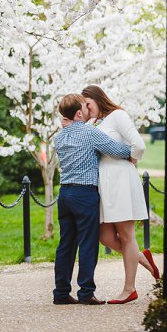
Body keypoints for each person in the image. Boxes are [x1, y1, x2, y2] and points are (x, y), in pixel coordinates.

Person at [52, 93, 136, 306]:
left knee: (66, 244)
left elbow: (76, 133)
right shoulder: (91, 133)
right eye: (85, 108)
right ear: (79, 112)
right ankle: (86, 292)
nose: (89, 110)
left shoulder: (59, 137)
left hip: (65, 194)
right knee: (88, 243)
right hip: (84, 194)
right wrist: (131, 153)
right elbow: (118, 150)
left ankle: (61, 293)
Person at [81, 85, 160, 305]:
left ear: (98, 99)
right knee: (104, 237)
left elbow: (139, 144)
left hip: (121, 180)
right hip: (103, 183)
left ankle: (129, 289)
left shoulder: (118, 116)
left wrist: (132, 160)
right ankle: (142, 258)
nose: (87, 109)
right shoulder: (94, 123)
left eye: (88, 104)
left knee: (126, 235)